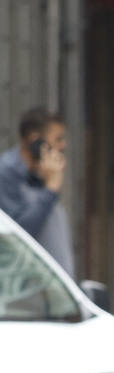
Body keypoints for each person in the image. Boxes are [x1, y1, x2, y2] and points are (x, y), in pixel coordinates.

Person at [0, 108, 75, 276]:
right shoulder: (7, 174)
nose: (63, 145)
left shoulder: (41, 175)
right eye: (58, 139)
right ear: (35, 140)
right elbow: (18, 235)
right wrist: (50, 189)